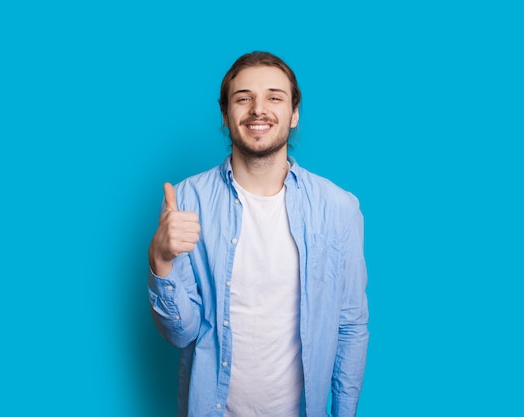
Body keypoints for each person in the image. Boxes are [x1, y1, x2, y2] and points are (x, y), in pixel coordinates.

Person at [148, 51, 369, 417]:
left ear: (294, 113)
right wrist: (160, 261)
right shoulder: (186, 200)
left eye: (274, 97)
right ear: (225, 114)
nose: (258, 109)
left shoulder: (338, 207)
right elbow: (181, 334)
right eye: (244, 98)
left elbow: (350, 324)